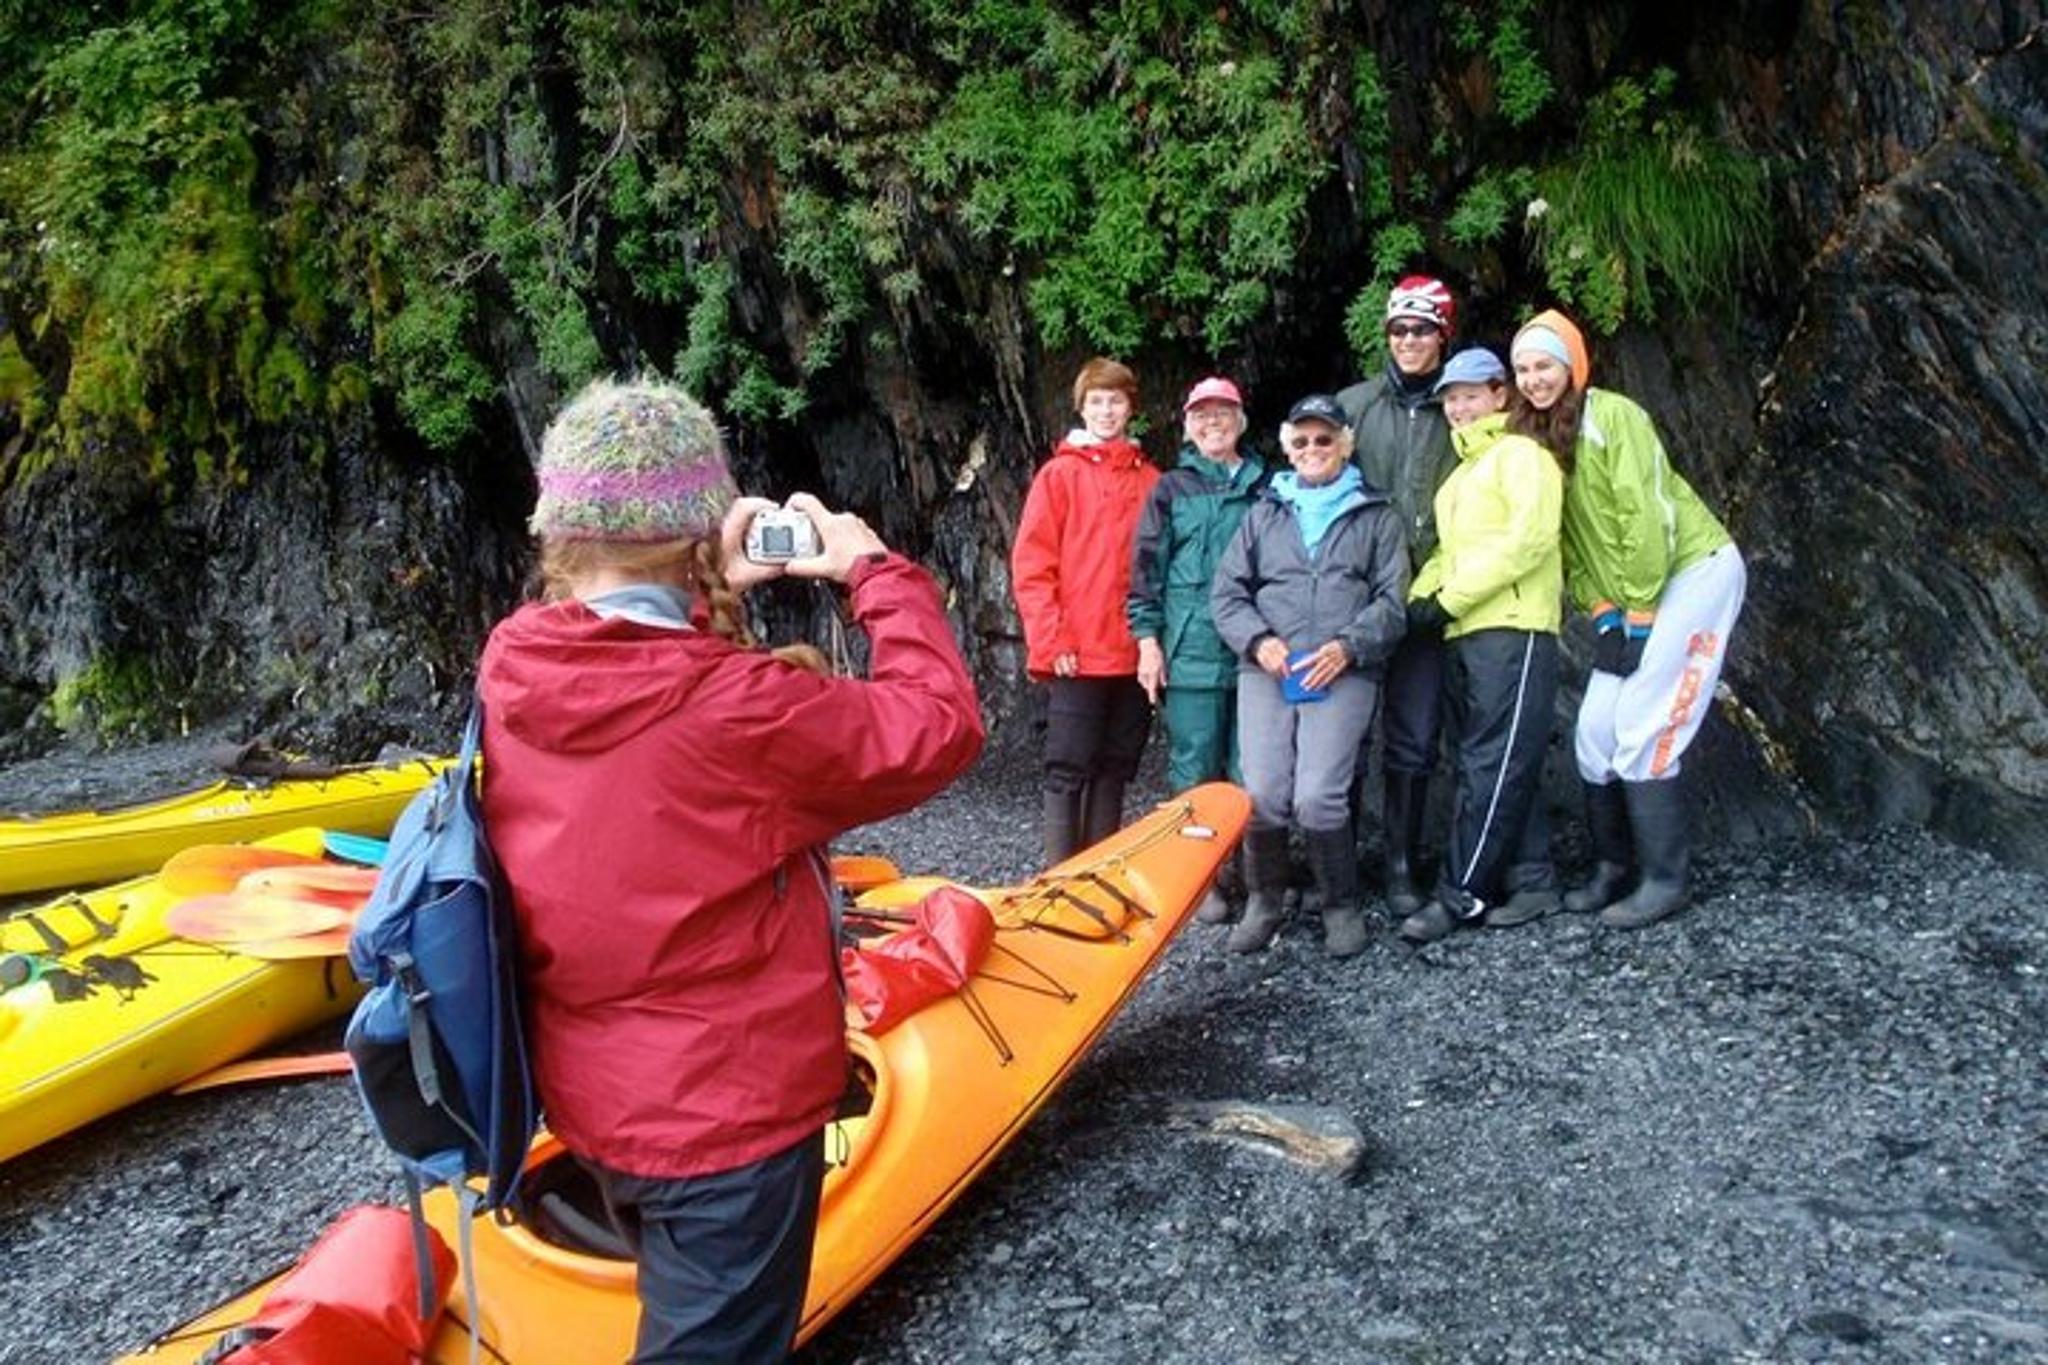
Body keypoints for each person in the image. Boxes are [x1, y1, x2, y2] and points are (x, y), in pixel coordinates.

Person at [476, 378, 985, 1362]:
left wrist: (702, 597)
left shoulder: (515, 665)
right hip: (725, 1116)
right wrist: (873, 570)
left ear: (561, 529)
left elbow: (636, 680)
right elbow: (937, 726)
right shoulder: (740, 708)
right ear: (697, 530)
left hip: (589, 1095)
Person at [1507, 309, 1746, 929]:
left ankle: (1665, 879)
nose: (1534, 379)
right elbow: (1568, 543)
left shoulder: (1613, 416)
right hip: (1629, 599)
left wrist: (1638, 612)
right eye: (1523, 369)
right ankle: (1613, 866)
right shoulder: (1536, 438)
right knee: (1594, 734)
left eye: (1545, 365)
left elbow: (1646, 515)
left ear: (1573, 366)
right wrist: (1603, 612)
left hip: (1691, 573)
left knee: (1645, 724)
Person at [1210, 394, 1409, 957]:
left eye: (1325, 439)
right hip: (1268, 669)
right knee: (1263, 795)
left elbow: (1394, 601)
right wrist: (1259, 641)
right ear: (1287, 448)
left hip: (1341, 669)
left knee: (1319, 796)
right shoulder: (1264, 512)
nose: (1312, 449)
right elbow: (1227, 594)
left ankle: (1339, 905)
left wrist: (1349, 647)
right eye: (1301, 441)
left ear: (1345, 445)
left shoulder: (1377, 514)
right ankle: (1265, 901)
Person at [1396, 347, 1565, 943]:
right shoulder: (1461, 477)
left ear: (1500, 395)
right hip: (1466, 631)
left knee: (1492, 762)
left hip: (1515, 627)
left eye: (1470, 395)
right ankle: (1535, 879)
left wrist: (1449, 600)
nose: (1459, 407)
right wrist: (1415, 600)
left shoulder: (1523, 456)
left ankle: (1460, 894)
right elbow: (1449, 553)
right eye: (1450, 398)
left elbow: (1530, 540)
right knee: (1493, 759)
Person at [1336, 275, 1460, 923]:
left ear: (1443, 335)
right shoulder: (1352, 406)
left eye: (1422, 329)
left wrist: (1434, 591)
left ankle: (1402, 864)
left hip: (1425, 601)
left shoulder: (1460, 410)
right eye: (1399, 330)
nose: (1409, 340)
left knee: (1414, 737)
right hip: (1358, 602)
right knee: (1347, 736)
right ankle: (1341, 864)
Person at [1127, 375, 1269, 924]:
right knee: (1195, 766)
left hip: (1257, 646)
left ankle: (1255, 877)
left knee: (1252, 766)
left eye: (1223, 413)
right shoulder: (1171, 489)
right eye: (1203, 415)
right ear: (1188, 426)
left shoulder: (1267, 485)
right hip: (1191, 646)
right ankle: (1201, 878)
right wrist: (1148, 642)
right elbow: (1146, 570)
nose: (1214, 423)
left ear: (1241, 421)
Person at [1012, 357, 1160, 864]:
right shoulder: (1059, 476)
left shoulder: (1151, 480)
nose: (1106, 410)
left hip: (1132, 650)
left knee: (1115, 766)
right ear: (1081, 408)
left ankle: (1097, 872)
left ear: (1130, 407)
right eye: (1096, 401)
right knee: (1067, 766)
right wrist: (1051, 639)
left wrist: (1155, 642)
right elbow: (1033, 564)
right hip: (1077, 650)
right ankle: (1060, 878)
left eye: (1115, 400)